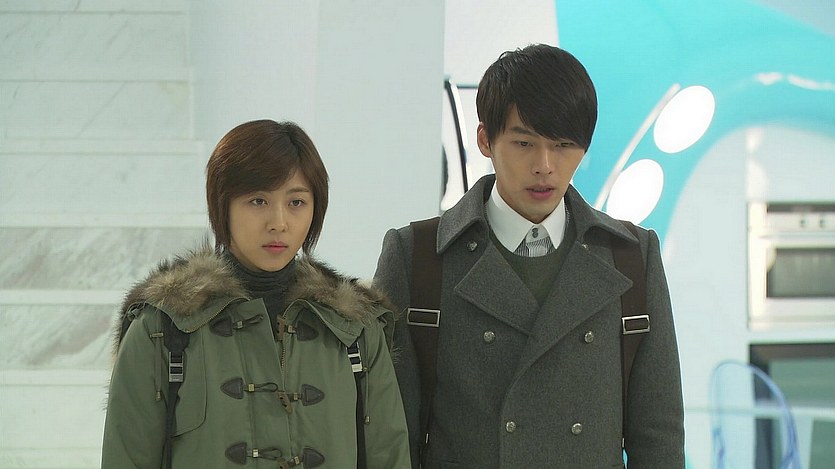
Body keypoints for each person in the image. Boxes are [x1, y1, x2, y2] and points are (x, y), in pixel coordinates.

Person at [373, 44, 685, 468]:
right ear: (485, 139)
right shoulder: (417, 257)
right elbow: (391, 436)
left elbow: (659, 437)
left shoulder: (632, 256)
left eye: (564, 145)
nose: (545, 165)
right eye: (523, 143)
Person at [102, 119, 411, 468]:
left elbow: (390, 457)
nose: (278, 222)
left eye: (296, 202)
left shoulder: (355, 329)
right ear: (223, 206)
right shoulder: (163, 327)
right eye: (258, 200)